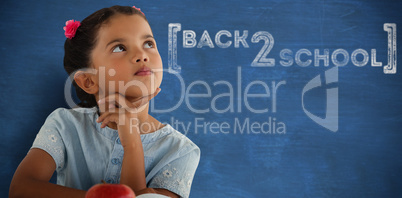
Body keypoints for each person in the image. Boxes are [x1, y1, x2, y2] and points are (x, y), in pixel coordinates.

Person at [9, 5, 200, 198]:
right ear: (88, 81)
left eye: (149, 44)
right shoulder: (65, 125)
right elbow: (20, 189)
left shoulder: (180, 151)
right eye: (120, 48)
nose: (142, 55)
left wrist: (132, 142)